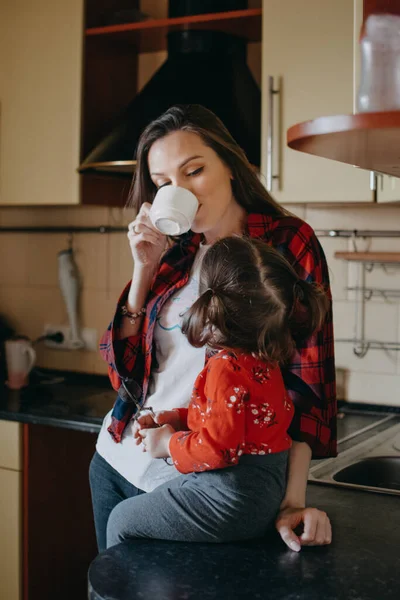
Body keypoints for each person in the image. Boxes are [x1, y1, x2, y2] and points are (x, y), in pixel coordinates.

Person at [90, 104, 336, 553]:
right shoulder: (173, 253)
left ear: (231, 163)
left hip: (206, 485)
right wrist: (143, 271)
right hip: (118, 463)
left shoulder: (284, 244)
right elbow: (123, 376)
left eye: (194, 170)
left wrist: (291, 502)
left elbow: (310, 389)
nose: (179, 190)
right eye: (164, 184)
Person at [104, 236, 329, 547]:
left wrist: (168, 444)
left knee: (121, 520)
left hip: (230, 494)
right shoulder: (264, 358)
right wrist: (175, 418)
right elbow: (230, 420)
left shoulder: (227, 368)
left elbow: (217, 449)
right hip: (260, 490)